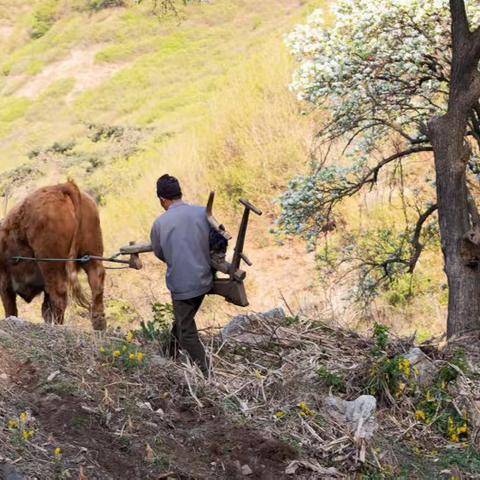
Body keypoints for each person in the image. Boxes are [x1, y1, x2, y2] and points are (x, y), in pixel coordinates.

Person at [150, 174, 212, 375]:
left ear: (162, 199)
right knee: (182, 318)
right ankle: (169, 355)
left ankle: (207, 374)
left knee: (186, 332)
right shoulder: (202, 213)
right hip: (205, 278)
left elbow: (159, 252)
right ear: (179, 194)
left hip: (183, 285)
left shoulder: (160, 223)